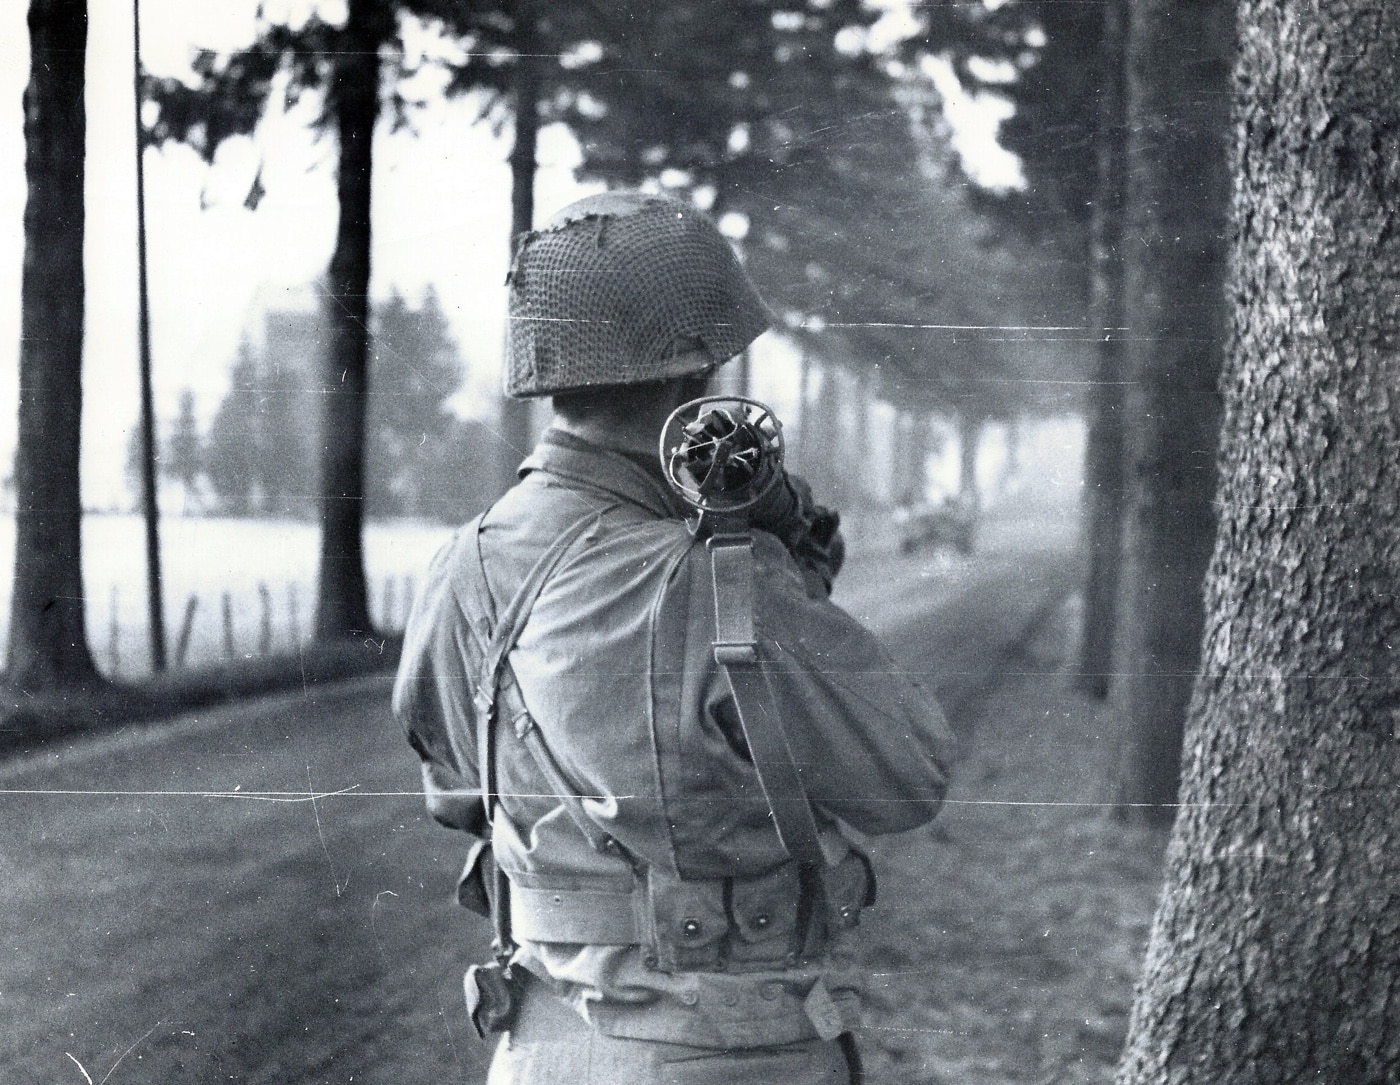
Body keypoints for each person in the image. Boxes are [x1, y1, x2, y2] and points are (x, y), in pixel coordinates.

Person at [393, 190, 956, 1084]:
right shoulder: (724, 576)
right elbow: (909, 777)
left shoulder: (462, 567)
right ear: (691, 379)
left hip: (538, 1052)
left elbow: (460, 792)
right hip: (732, 1058)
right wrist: (775, 555)